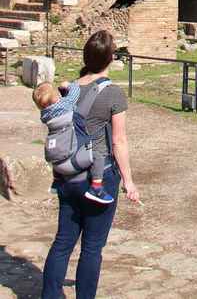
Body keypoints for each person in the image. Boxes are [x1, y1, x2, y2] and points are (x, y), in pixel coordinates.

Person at [42, 30, 140, 299]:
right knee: (92, 247)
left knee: (63, 242)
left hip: (68, 173)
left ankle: (49, 295)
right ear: (110, 59)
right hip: (100, 175)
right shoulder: (113, 93)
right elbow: (119, 141)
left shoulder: (68, 89)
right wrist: (129, 182)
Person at [33, 79, 115, 204]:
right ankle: (96, 188)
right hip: (73, 163)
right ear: (57, 97)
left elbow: (54, 104)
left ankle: (57, 181)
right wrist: (69, 84)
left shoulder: (45, 115)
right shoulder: (66, 104)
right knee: (98, 155)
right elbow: (75, 91)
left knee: (58, 148)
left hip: (56, 165)